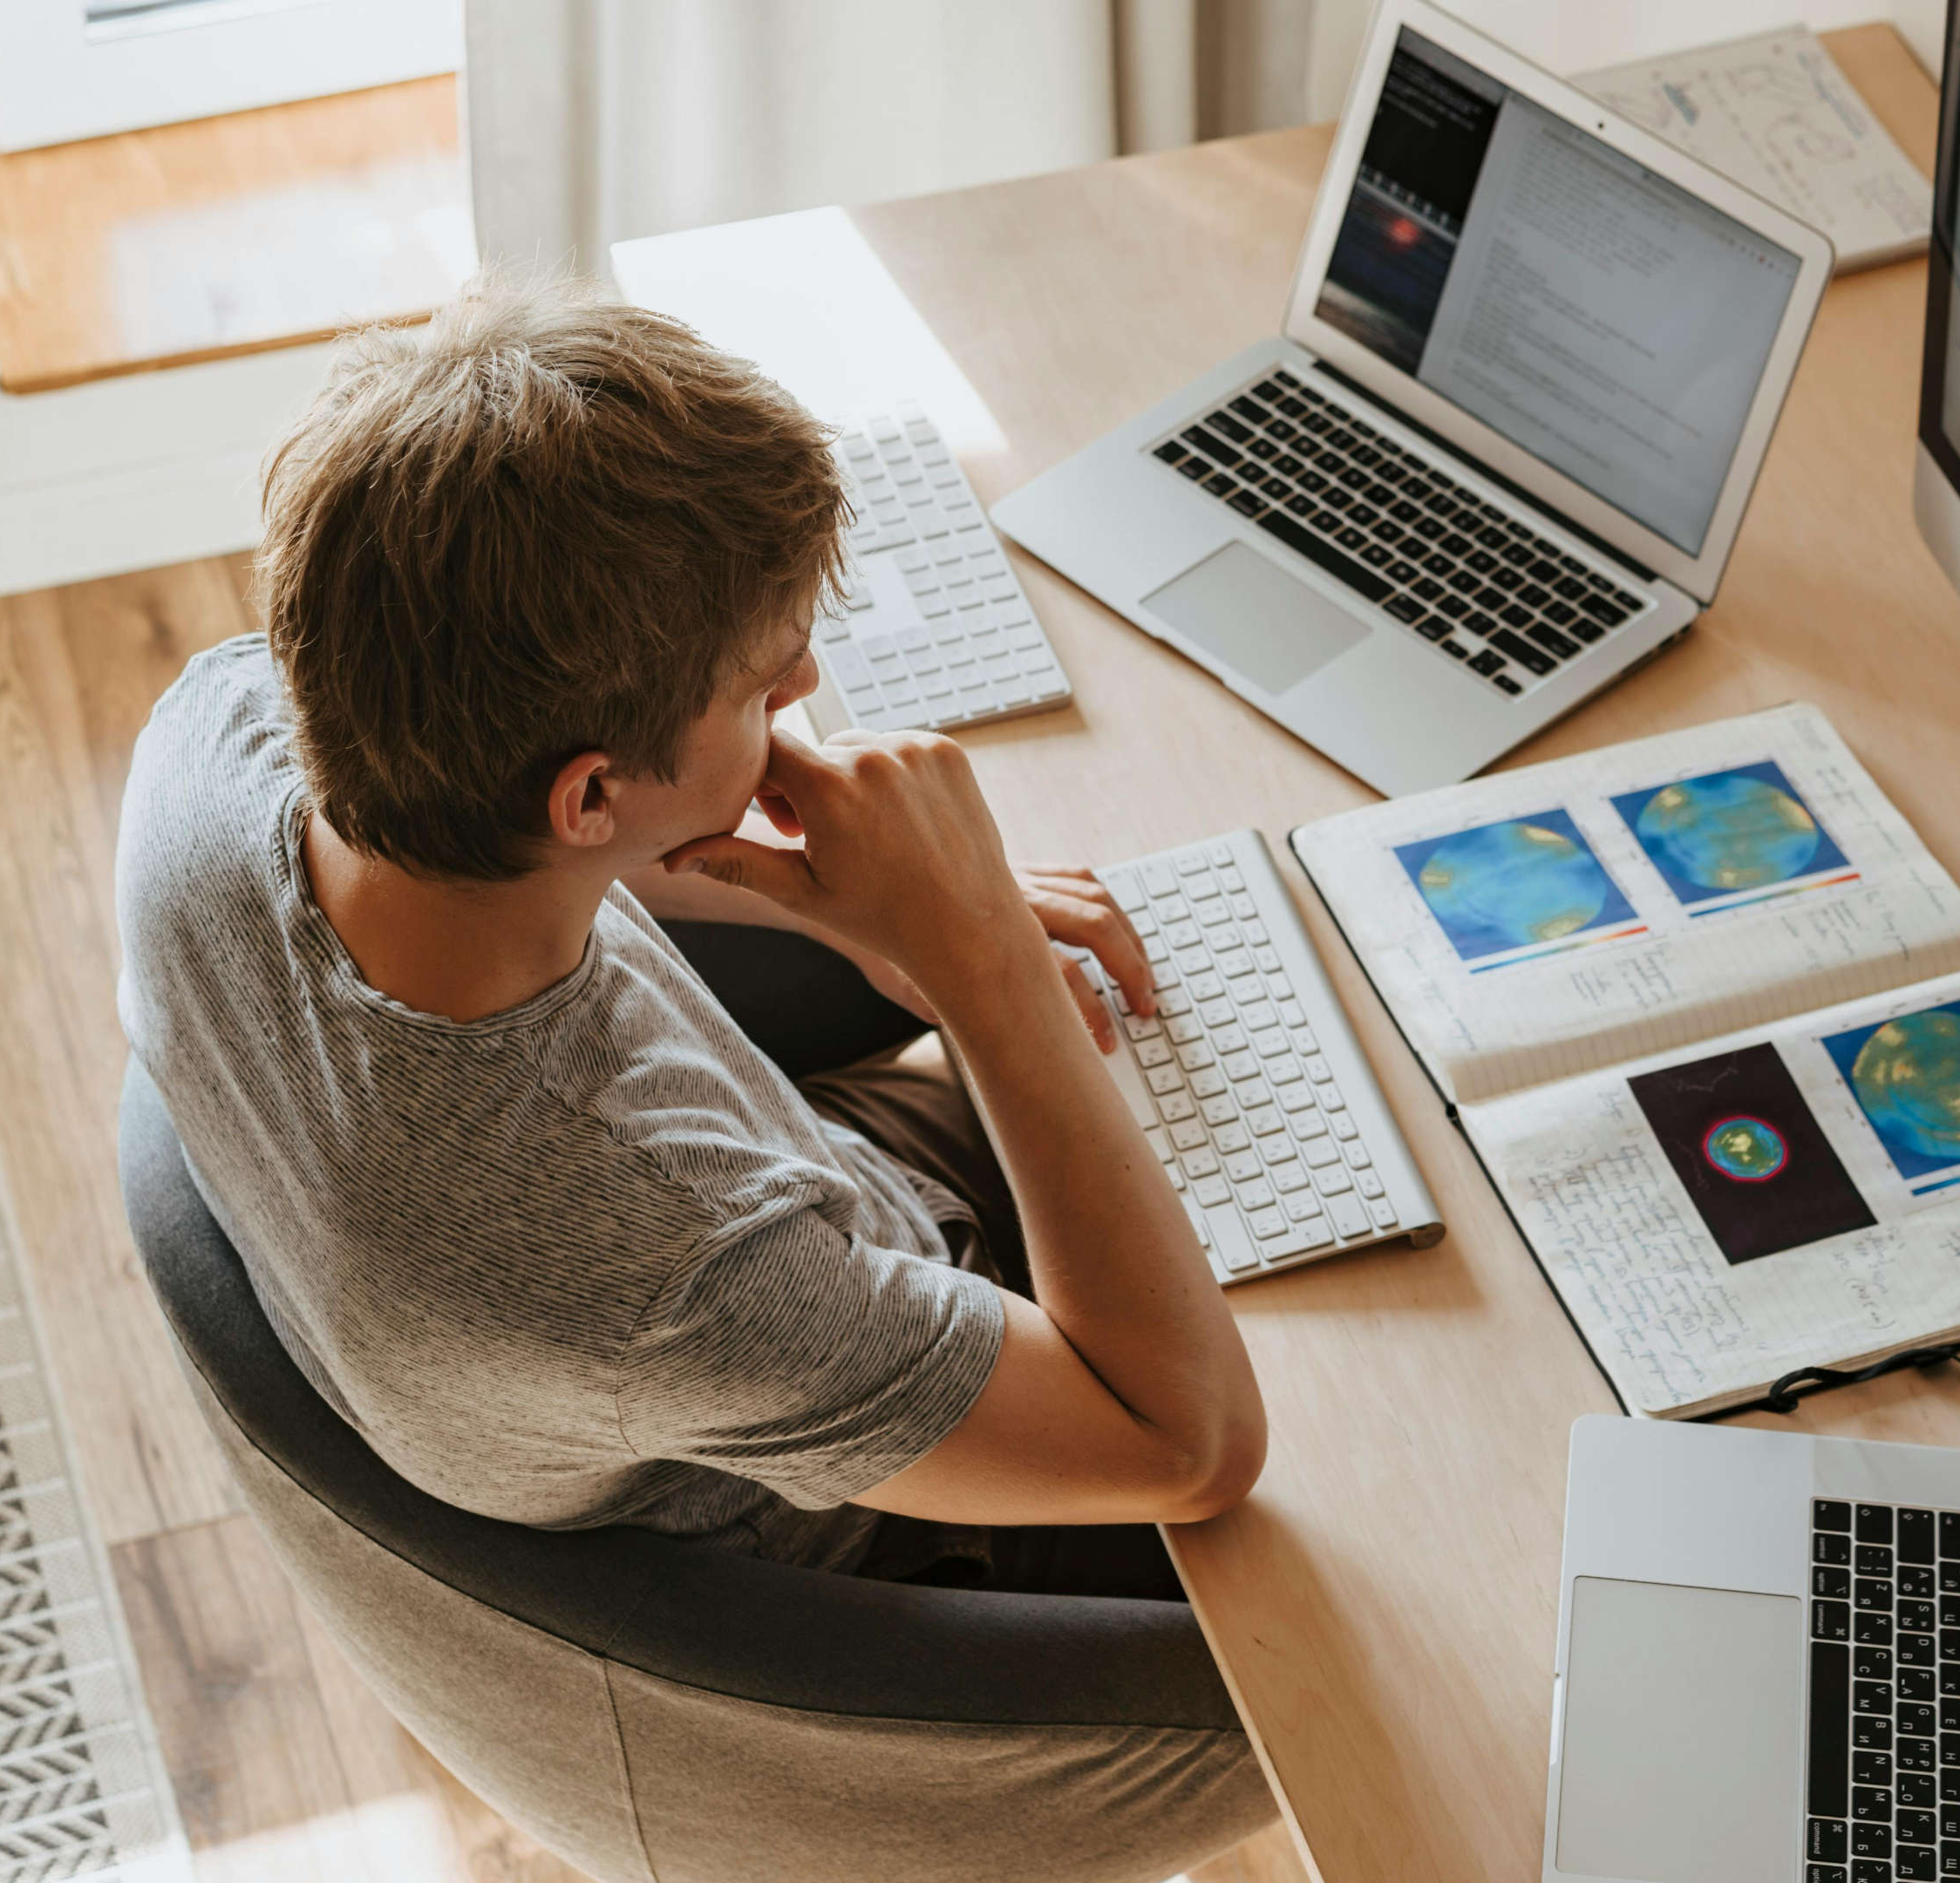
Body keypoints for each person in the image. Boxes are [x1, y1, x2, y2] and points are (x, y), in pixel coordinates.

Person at [112, 275, 1265, 1612]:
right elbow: (1189, 1447)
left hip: (748, 1250)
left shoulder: (220, 733)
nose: (806, 693)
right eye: (765, 683)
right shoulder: (670, 1263)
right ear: (593, 798)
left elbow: (514, 833)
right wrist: (982, 969)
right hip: (922, 1509)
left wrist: (872, 897)